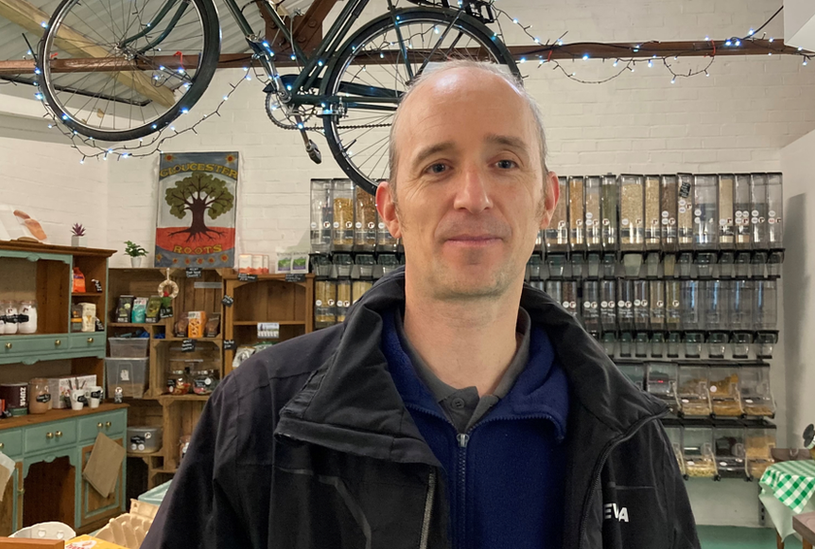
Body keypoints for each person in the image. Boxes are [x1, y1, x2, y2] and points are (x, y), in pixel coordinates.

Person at [141, 60, 698, 549]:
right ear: (391, 210)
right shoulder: (261, 412)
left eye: (505, 162)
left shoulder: (628, 435)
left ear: (547, 199)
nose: (473, 197)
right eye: (437, 167)